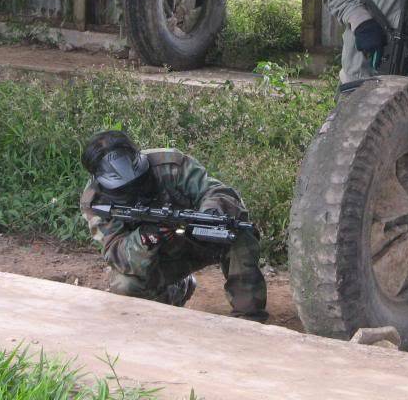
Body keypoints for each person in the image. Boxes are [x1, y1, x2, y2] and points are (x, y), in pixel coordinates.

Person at [79, 130, 269, 322]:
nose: (136, 190)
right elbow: (116, 255)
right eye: (125, 189)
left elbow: (217, 191)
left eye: (139, 182)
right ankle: (175, 294)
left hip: (201, 239)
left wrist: (210, 213)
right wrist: (145, 238)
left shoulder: (170, 164)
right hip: (161, 257)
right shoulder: (97, 202)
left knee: (240, 235)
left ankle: (249, 317)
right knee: (124, 285)